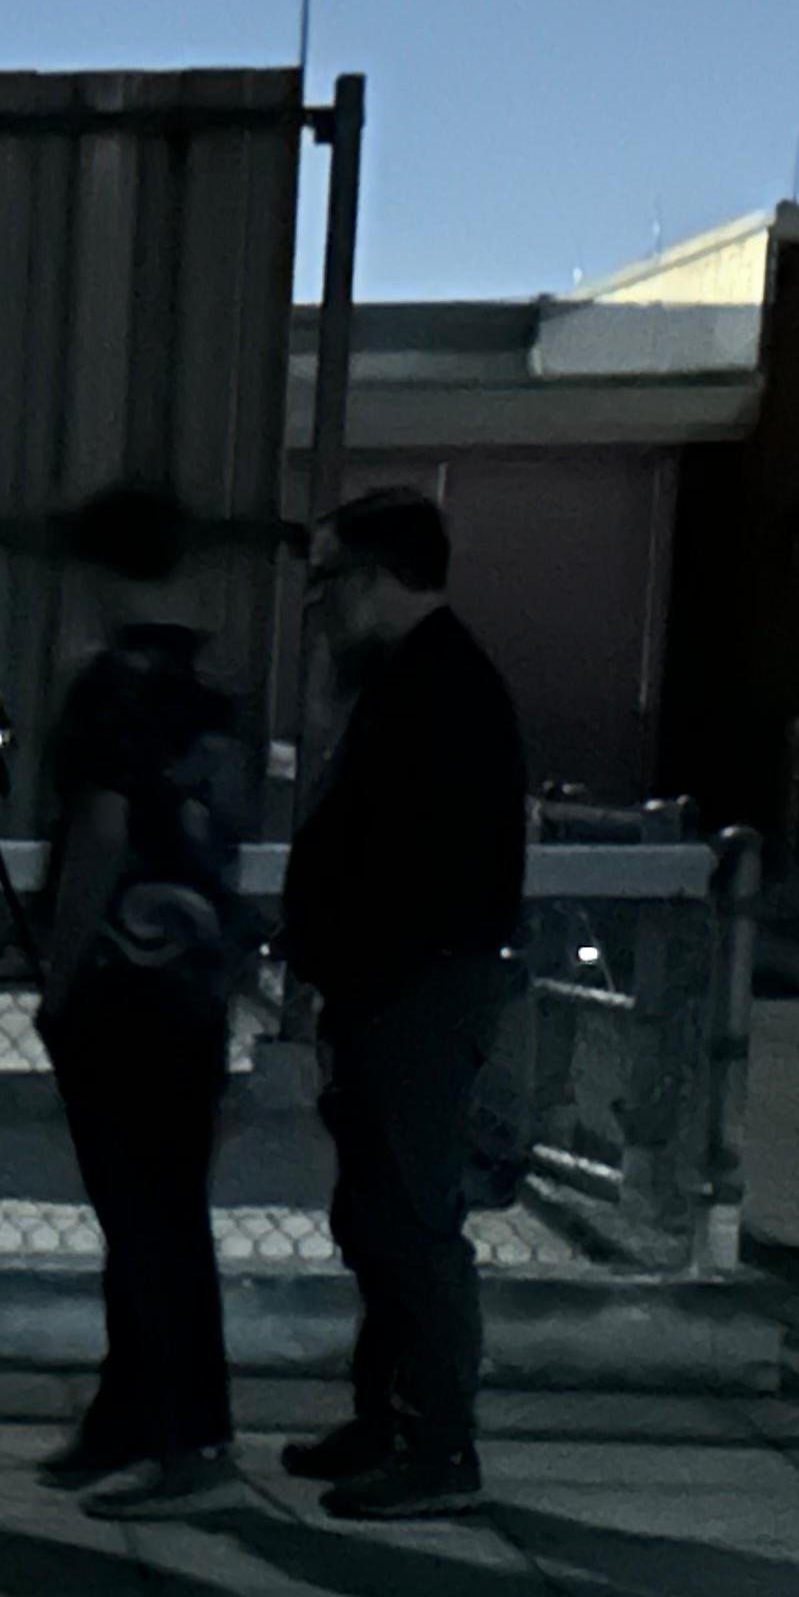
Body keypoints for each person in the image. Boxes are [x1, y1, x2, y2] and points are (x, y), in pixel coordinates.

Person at [278, 485, 527, 1520]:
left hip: (412, 992)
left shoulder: (436, 692)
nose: (317, 604)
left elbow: (413, 869)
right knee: (382, 1217)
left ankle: (435, 1446)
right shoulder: (422, 681)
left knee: (413, 1222)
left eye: (328, 580)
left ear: (377, 577)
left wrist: (348, 964)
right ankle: (389, 1423)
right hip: (395, 988)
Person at [31, 482, 259, 1519]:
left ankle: (185, 1434)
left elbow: (100, 836)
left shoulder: (108, 688)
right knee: (168, 1206)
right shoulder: (216, 690)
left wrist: (58, 971)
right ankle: (134, 1417)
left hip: (119, 978)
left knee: (139, 1216)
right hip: (196, 977)